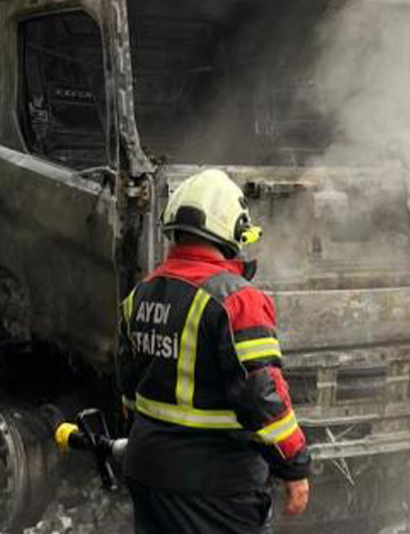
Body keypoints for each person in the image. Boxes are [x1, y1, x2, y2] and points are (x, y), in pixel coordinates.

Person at [117, 169, 310, 534]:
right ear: (231, 232)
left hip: (147, 471)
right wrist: (294, 465)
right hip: (215, 487)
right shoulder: (237, 300)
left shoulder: (140, 294)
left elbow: (129, 389)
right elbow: (261, 395)